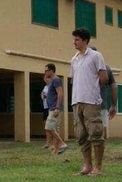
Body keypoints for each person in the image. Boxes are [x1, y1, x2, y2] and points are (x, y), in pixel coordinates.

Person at [69, 28, 108, 176]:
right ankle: (87, 166)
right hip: (77, 100)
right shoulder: (73, 59)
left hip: (91, 100)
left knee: (95, 133)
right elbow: (74, 79)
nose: (74, 42)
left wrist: (94, 90)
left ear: (85, 41)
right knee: (81, 134)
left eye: (77, 39)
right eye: (74, 39)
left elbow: (103, 78)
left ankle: (98, 167)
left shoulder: (96, 56)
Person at [91, 47, 117, 139]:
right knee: (103, 127)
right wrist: (113, 105)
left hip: (88, 104)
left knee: (89, 128)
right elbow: (114, 87)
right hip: (102, 104)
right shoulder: (106, 68)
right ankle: (101, 148)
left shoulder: (83, 67)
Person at [44, 64, 68, 155]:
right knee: (55, 129)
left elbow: (60, 94)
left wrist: (57, 107)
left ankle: (62, 144)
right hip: (52, 107)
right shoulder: (52, 81)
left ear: (51, 70)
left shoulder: (56, 80)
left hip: (54, 109)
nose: (45, 72)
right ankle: (56, 150)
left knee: (49, 127)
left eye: (46, 70)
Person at [40, 75, 54, 149]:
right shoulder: (45, 87)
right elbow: (42, 95)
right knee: (46, 126)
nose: (47, 79)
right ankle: (47, 143)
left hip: (51, 107)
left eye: (48, 78)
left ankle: (53, 143)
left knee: (51, 125)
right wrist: (43, 96)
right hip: (45, 107)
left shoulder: (53, 86)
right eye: (45, 78)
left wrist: (47, 96)